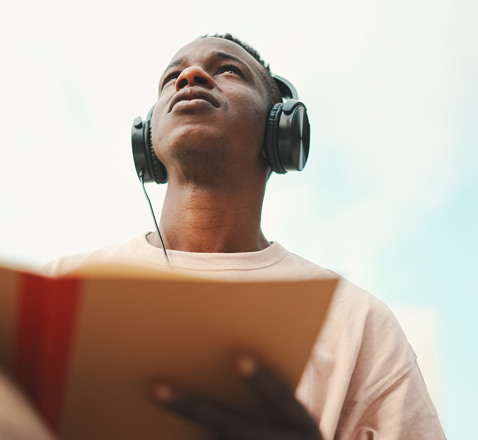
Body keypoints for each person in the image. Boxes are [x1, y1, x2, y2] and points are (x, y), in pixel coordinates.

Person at [44, 34, 446, 439]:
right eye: (172, 77)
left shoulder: (356, 319)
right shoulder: (62, 286)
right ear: (146, 138)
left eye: (229, 71)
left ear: (282, 131)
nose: (191, 76)